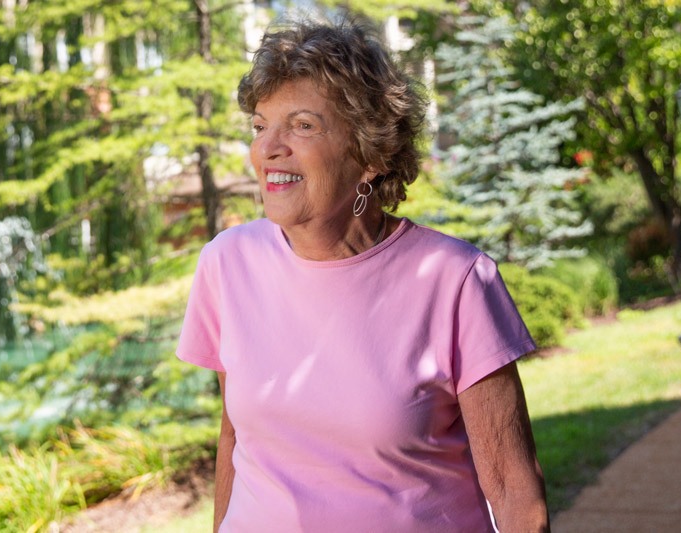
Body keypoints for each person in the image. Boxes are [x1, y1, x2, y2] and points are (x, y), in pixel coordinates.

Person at [176, 20, 548, 533]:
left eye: (302, 125)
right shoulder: (227, 263)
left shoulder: (455, 281)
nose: (268, 149)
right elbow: (235, 439)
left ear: (369, 154)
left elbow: (515, 496)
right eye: (261, 126)